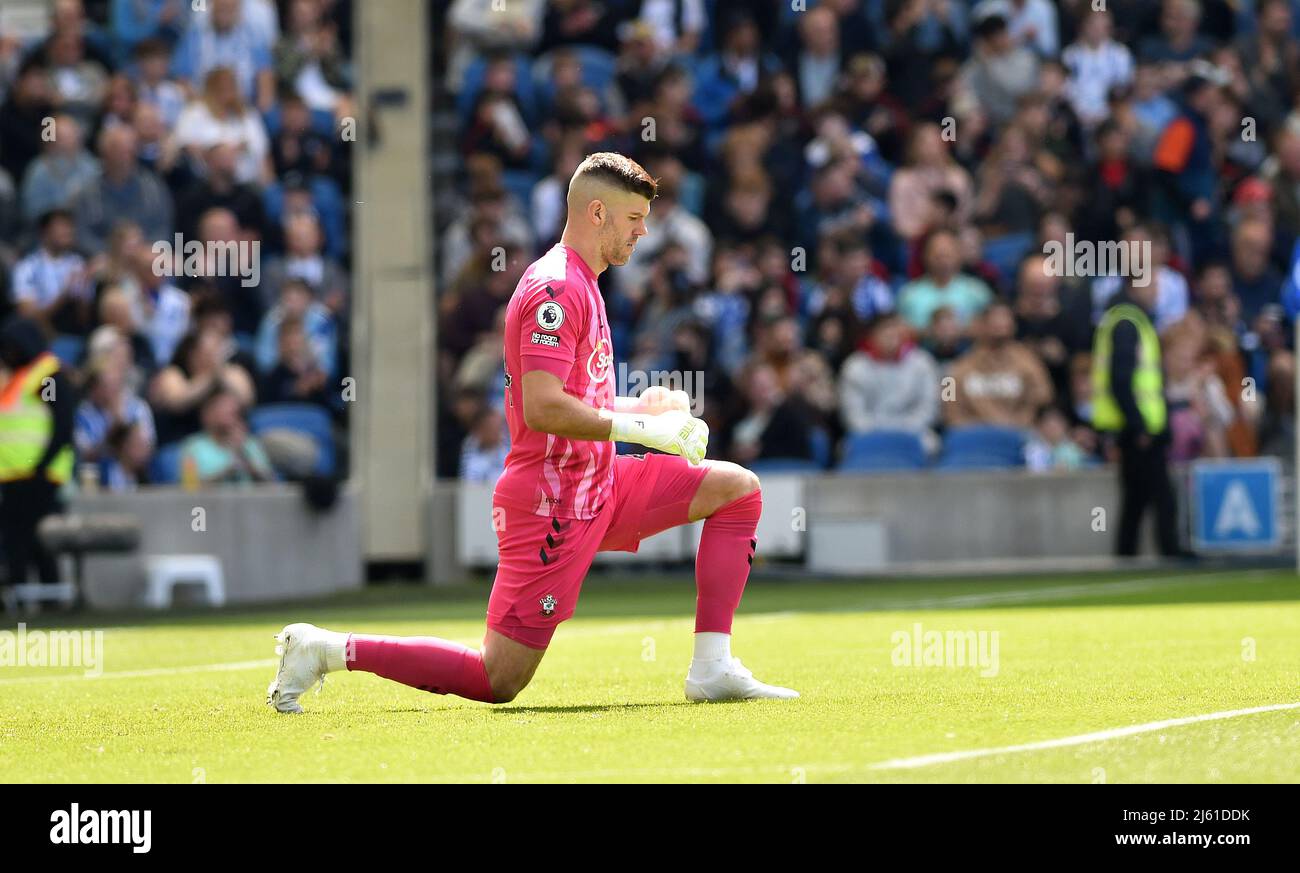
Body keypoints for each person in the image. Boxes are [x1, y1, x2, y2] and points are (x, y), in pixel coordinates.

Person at [269, 152, 798, 711]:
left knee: (736, 489)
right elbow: (543, 408)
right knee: (498, 679)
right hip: (553, 500)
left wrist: (644, 406)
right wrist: (643, 429)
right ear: (598, 212)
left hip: (600, 482)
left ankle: (712, 668)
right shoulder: (555, 289)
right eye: (635, 218)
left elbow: (574, 397)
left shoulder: (585, 282)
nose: (644, 231)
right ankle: (324, 649)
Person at [1091, 276, 1182, 557]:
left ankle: (1126, 555)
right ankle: (1171, 551)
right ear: (1135, 286)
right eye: (1153, 284)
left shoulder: (1126, 319)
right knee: (1162, 496)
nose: (1157, 290)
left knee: (1136, 499)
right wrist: (1139, 425)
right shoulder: (1128, 322)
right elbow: (1121, 380)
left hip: (1136, 426)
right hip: (1138, 428)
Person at [0, 316, 75, 591]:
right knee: (20, 541)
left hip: (38, 476)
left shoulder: (47, 377)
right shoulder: (18, 379)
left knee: (31, 540)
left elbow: (63, 424)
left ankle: (41, 594)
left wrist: (42, 465)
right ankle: (29, 596)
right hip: (14, 476)